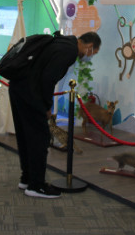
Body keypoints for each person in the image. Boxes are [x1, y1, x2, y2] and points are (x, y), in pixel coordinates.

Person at [8, 31, 101, 199]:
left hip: (19, 87)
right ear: (89, 46)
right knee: (40, 138)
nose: (91, 56)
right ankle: (36, 185)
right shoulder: (69, 51)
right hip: (30, 92)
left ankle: (27, 178)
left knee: (25, 136)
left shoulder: (62, 43)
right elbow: (48, 79)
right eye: (93, 53)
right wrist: (46, 107)